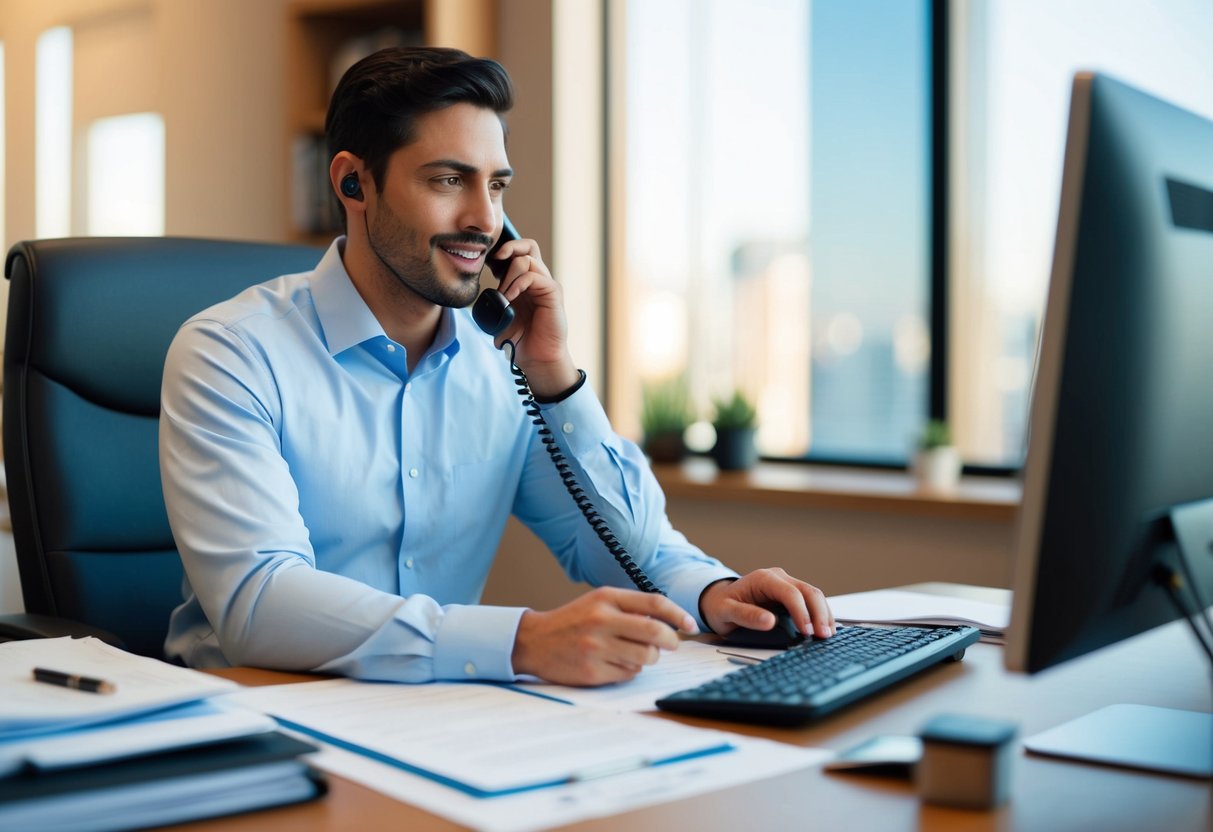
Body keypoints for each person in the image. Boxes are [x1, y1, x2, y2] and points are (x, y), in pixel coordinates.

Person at [160, 46, 834, 686]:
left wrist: (713, 591)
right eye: (448, 180)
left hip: (442, 716)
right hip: (260, 721)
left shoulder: (500, 365)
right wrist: (520, 642)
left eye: (497, 187)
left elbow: (628, 547)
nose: (484, 220)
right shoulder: (231, 353)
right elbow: (259, 604)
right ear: (352, 182)